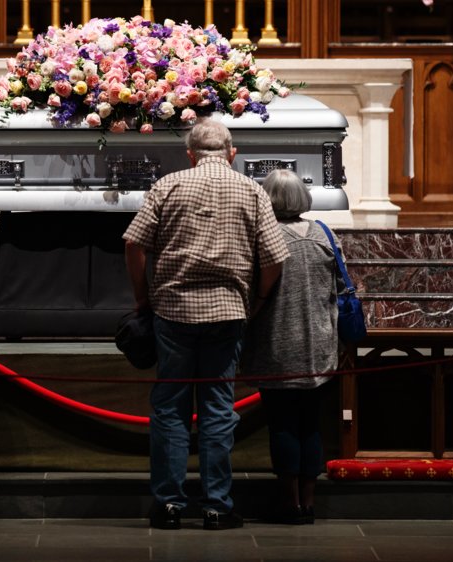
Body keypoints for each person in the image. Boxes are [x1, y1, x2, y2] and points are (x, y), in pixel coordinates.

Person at [123, 119, 289, 531]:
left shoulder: (168, 185)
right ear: (232, 153)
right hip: (228, 312)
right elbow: (274, 258)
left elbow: (134, 243)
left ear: (190, 154)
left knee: (170, 409)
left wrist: (143, 297)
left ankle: (169, 505)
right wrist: (257, 300)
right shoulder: (251, 190)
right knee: (217, 409)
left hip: (173, 311)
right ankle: (217, 506)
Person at [241, 169, 344, 525]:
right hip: (320, 344)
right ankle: (309, 502)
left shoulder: (266, 237)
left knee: (282, 425)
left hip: (278, 343)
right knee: (310, 425)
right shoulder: (324, 234)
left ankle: (290, 503)